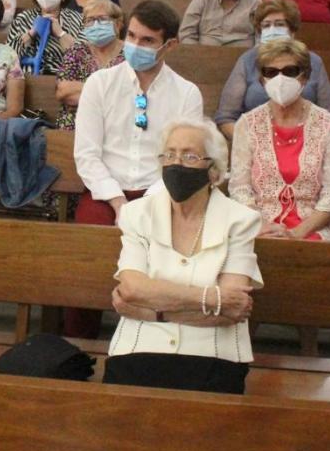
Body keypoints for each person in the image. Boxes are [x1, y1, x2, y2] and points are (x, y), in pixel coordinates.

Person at [71, 0, 205, 336]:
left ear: (169, 45)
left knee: (166, 256)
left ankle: (155, 339)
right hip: (106, 193)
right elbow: (87, 154)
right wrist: (118, 203)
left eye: (147, 41)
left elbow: (180, 160)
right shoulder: (99, 84)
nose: (135, 46)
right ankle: (78, 337)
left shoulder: (187, 93)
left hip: (161, 194)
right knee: (84, 255)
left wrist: (147, 203)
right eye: (131, 36)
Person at [105, 118, 261, 395]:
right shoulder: (137, 214)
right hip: (139, 348)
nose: (176, 163)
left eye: (190, 156)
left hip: (214, 354)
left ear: (213, 171)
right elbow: (131, 289)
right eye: (170, 154)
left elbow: (232, 311)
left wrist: (150, 311)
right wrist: (211, 298)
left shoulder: (241, 220)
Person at [229, 38, 330, 242]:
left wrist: (297, 233)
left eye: (290, 71)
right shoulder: (247, 124)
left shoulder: (328, 124)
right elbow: (240, 189)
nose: (280, 78)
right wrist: (265, 227)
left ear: (304, 77)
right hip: (259, 228)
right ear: (262, 79)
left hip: (313, 229)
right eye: (271, 72)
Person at [213, 0, 330, 136]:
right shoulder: (247, 60)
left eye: (279, 24)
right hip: (255, 141)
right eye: (266, 25)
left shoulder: (313, 61)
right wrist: (250, 142)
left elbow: (329, 116)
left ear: (292, 30)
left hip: (306, 142)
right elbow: (226, 117)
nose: (272, 30)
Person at [54, 0, 125, 131]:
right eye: (90, 20)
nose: (95, 24)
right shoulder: (77, 51)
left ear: (118, 24)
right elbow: (63, 91)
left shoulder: (130, 54)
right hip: (75, 124)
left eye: (102, 19)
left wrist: (83, 90)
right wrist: (111, 93)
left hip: (118, 124)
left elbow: (132, 94)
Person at [6, 0, 82, 75]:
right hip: (26, 76)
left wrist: (61, 33)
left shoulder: (77, 19)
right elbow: (7, 57)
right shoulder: (23, 18)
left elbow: (83, 59)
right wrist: (31, 34)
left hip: (64, 78)